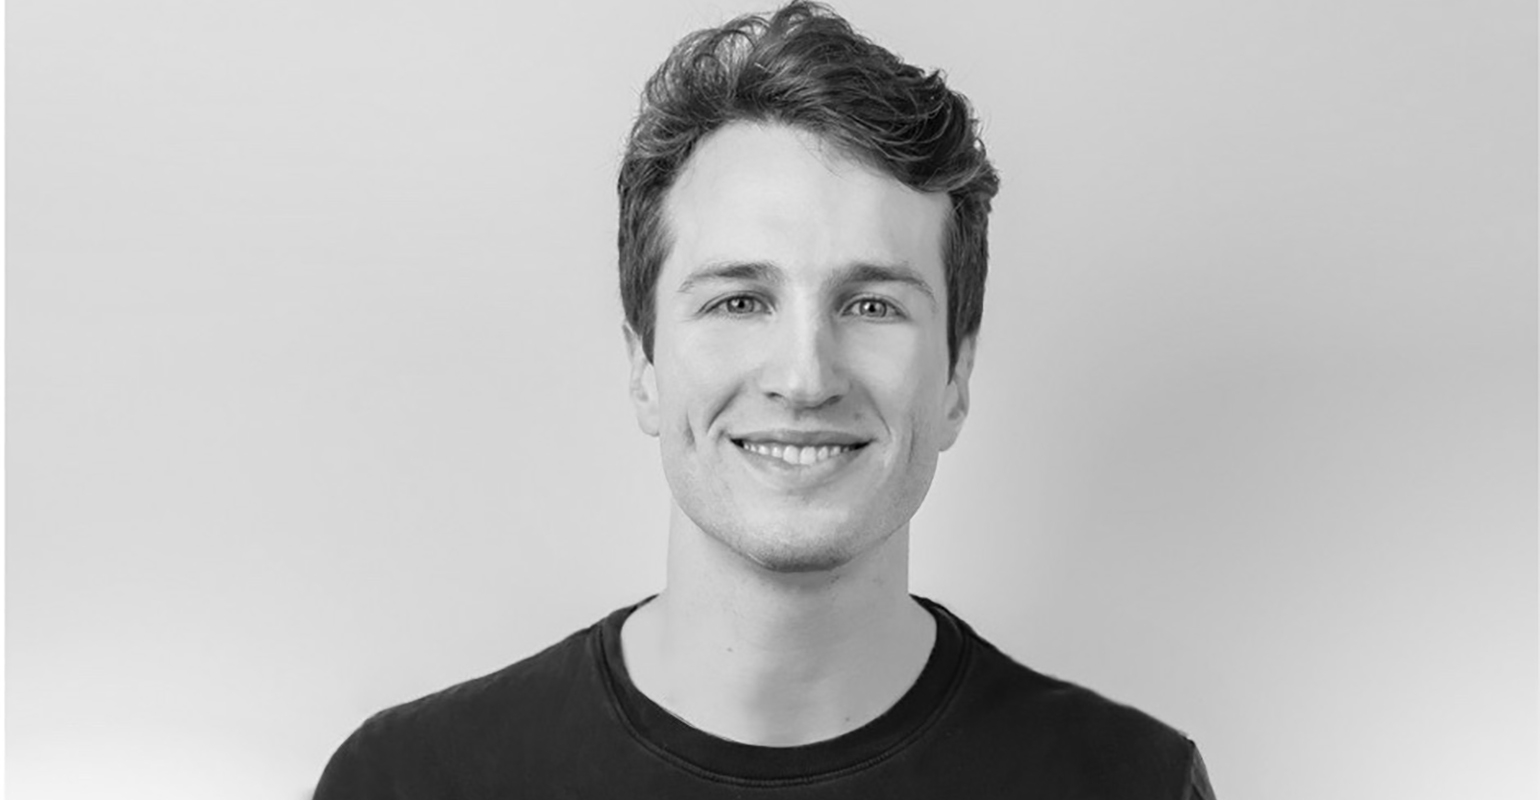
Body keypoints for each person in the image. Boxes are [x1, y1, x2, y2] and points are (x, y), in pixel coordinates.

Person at [315, 3, 1216, 797]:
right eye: (739, 301)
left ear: (955, 378)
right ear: (643, 365)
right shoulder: (409, 783)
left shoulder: (1132, 783)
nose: (805, 376)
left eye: (872, 305)